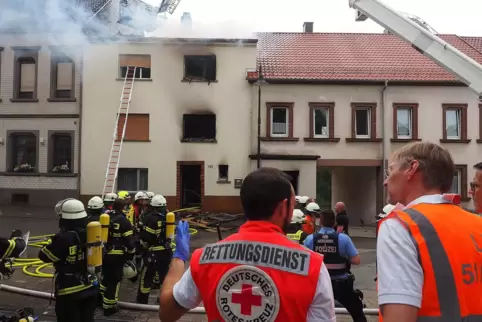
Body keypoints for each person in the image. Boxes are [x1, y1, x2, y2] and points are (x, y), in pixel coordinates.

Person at [159, 167, 336, 322]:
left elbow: (166, 313)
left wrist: (179, 258)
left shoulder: (204, 259)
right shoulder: (312, 268)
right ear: (283, 207)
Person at [378, 141, 482, 321]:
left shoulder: (400, 226)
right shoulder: (476, 223)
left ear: (412, 168)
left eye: (391, 171)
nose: (385, 181)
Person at [38, 199, 98, 322]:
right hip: (90, 286)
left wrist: (51, 243)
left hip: (70, 290)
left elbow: (44, 256)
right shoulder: (92, 231)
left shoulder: (64, 238)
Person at [304, 209, 366, 322]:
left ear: (320, 222)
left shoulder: (310, 239)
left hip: (318, 285)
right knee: (358, 314)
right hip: (341, 285)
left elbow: (304, 261)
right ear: (334, 223)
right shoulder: (343, 239)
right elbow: (356, 260)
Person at [100, 197, 136, 316]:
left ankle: (100, 301)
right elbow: (130, 241)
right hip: (117, 255)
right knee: (114, 281)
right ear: (123, 207)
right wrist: (130, 253)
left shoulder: (106, 217)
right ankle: (109, 307)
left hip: (104, 254)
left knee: (105, 279)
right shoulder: (124, 221)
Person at [136, 195, 173, 304]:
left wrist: (142, 246)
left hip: (153, 253)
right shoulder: (169, 216)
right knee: (164, 277)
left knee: (146, 277)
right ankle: (163, 299)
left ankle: (142, 300)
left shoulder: (151, 218)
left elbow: (147, 237)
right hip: (166, 252)